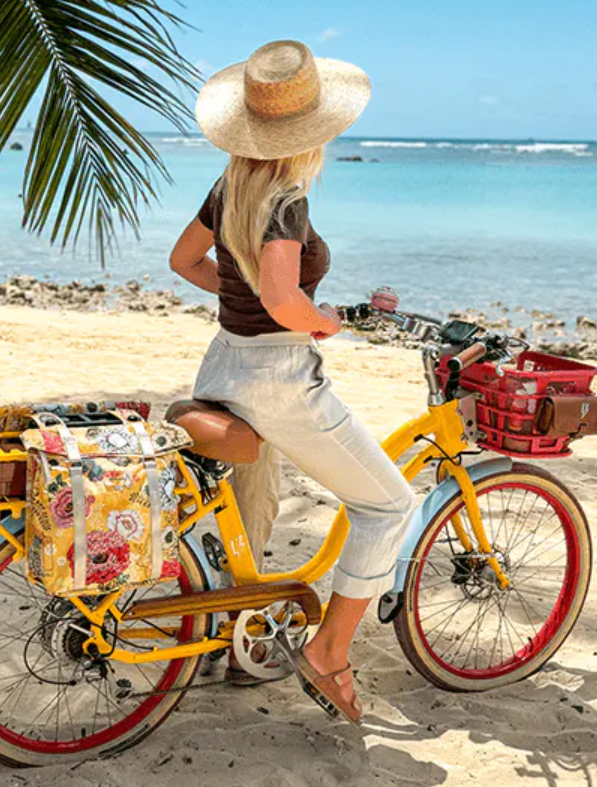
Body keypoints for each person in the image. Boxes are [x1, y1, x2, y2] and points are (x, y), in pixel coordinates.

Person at [169, 39, 415, 724]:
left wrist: (240, 291)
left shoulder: (232, 186)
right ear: (312, 130)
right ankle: (330, 652)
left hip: (223, 363)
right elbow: (283, 303)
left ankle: (234, 638)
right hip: (277, 375)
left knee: (249, 507)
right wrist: (325, 321)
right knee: (388, 506)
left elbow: (183, 259)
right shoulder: (284, 197)